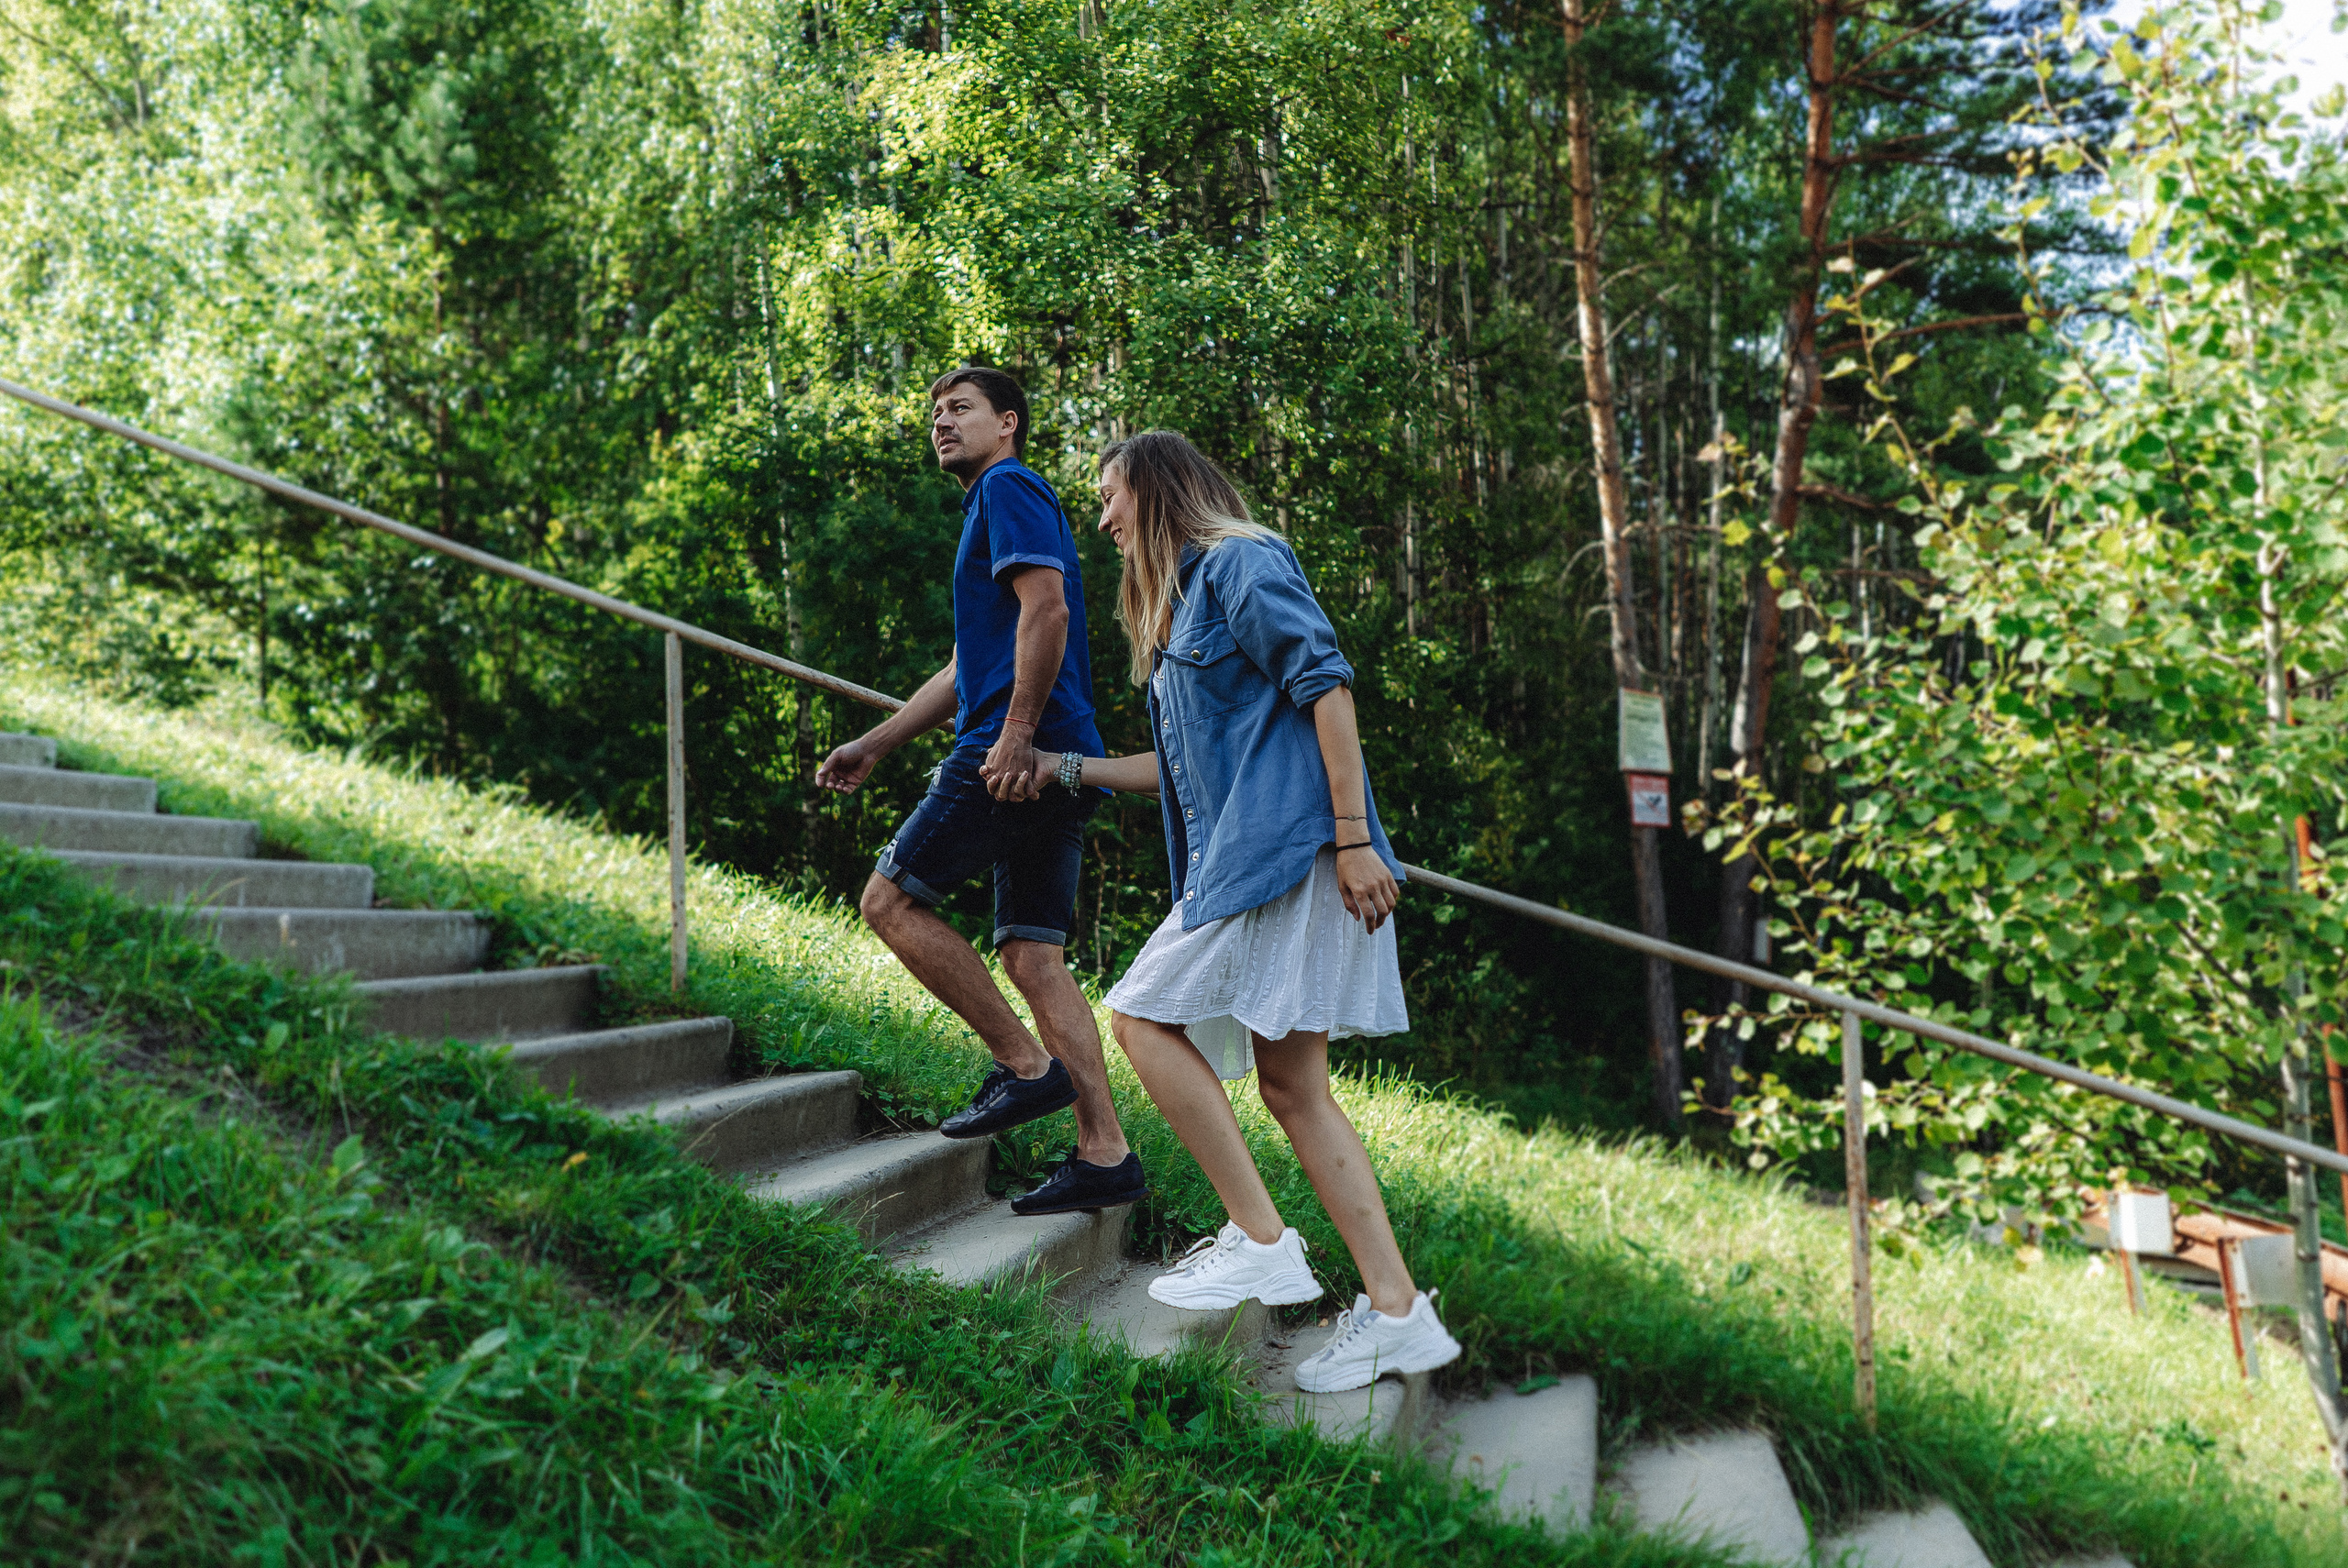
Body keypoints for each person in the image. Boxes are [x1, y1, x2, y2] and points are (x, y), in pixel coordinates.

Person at [991, 429, 1460, 1395]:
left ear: (1156, 490)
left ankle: (1261, 1240)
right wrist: (1062, 768)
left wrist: (1353, 836)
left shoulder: (1241, 562)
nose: (1104, 518)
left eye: (1112, 496)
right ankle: (1398, 1310)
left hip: (1287, 854)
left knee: (1138, 1015)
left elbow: (1325, 685)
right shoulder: (1179, 610)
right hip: (1252, 856)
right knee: (1293, 1090)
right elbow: (1177, 768)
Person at [814, 367, 1145, 1217]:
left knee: (888, 901)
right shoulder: (994, 505)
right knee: (1035, 956)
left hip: (1015, 752)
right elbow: (972, 663)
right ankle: (1104, 1153)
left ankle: (1023, 1067)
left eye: (960, 409)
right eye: (934, 412)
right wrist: (879, 743)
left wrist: (1016, 733)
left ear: (1009, 423)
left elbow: (1050, 611)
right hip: (1053, 754)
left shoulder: (1008, 486)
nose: (941, 422)